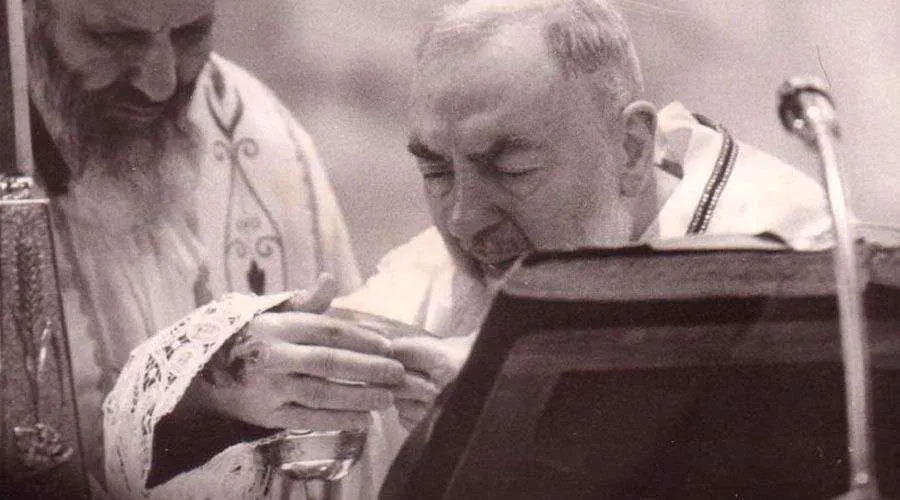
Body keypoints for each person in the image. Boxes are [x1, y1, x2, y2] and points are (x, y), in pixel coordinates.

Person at [103, 0, 833, 498]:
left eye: (509, 166)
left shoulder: (797, 256)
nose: (463, 219)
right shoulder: (429, 286)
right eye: (436, 170)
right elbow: (149, 457)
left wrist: (515, 396)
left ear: (631, 149)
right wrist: (222, 391)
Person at [23, 0, 410, 498]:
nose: (160, 83)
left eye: (190, 34)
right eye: (114, 39)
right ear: (24, 17)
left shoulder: (255, 132)